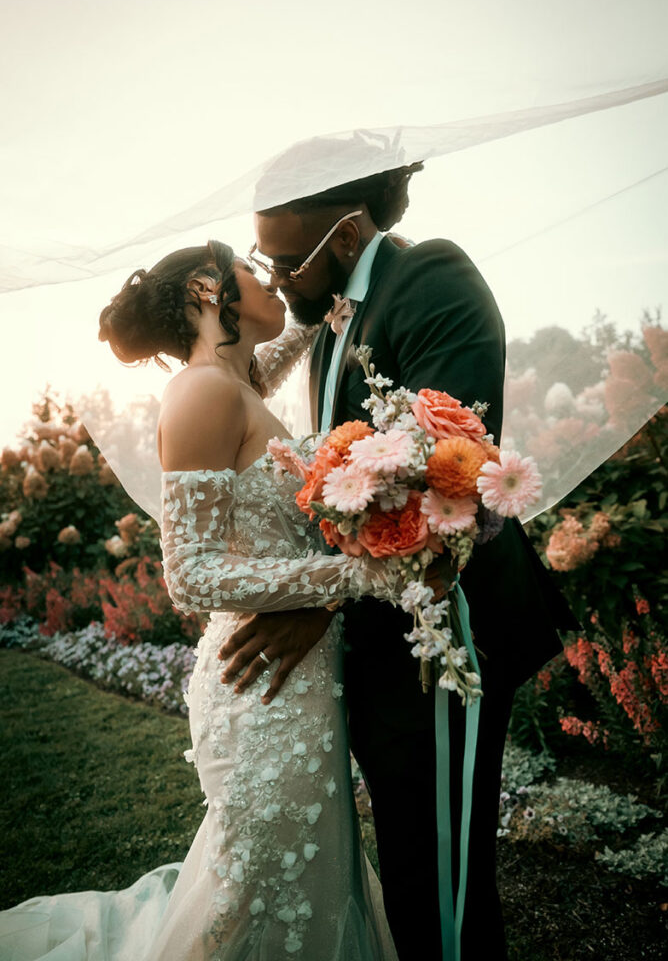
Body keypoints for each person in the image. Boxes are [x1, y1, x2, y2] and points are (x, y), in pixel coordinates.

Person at [0, 240, 407, 960]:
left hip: (298, 683)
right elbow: (188, 575)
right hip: (259, 692)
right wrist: (354, 579)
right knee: (262, 889)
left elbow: (283, 337)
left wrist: (349, 261)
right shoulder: (202, 392)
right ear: (206, 287)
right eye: (256, 268)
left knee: (305, 874)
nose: (273, 276)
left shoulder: (238, 378)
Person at [217, 164, 579, 961]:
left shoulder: (431, 279)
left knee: (443, 877)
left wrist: (316, 603)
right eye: (265, 260)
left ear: (345, 235)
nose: (278, 277)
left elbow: (440, 476)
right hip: (383, 636)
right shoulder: (329, 320)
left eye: (287, 261)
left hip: (447, 633)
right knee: (411, 862)